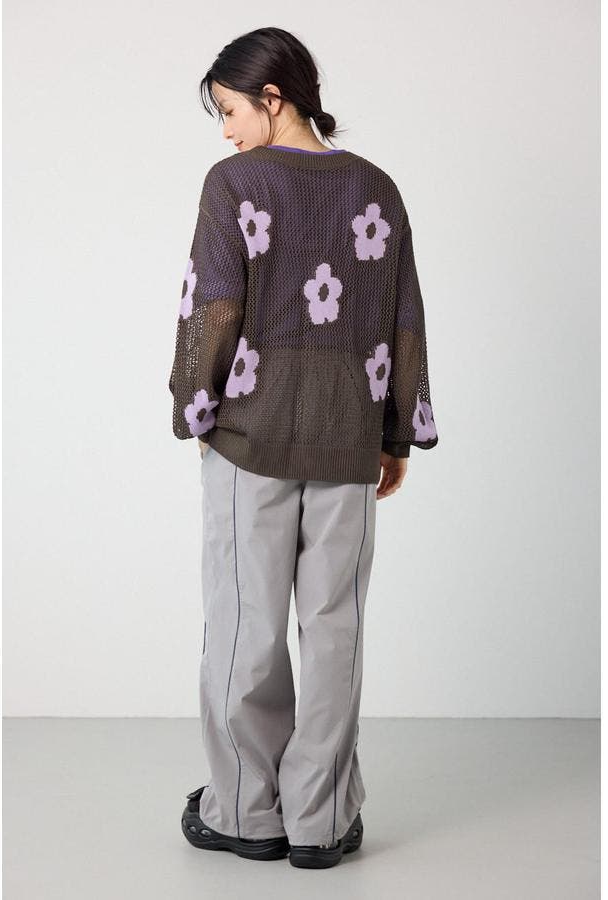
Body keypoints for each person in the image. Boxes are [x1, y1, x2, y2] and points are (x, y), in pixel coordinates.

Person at [169, 26, 439, 869]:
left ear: (273, 96)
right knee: (334, 631)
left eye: (230, 110)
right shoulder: (376, 187)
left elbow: (211, 307)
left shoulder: (234, 184)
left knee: (244, 626)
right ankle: (319, 821)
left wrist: (195, 409)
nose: (226, 131)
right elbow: (402, 314)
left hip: (249, 438)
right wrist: (396, 433)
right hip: (347, 436)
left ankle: (247, 813)